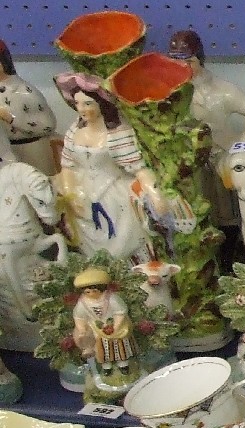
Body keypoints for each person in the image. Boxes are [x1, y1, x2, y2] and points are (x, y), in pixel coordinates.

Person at [52, 72, 163, 262]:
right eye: (77, 103)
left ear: (101, 104)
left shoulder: (117, 134)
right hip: (83, 193)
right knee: (87, 236)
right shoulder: (75, 131)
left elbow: (139, 169)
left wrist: (154, 193)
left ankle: (130, 269)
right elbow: (67, 166)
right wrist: (70, 194)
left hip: (113, 194)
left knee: (125, 234)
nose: (81, 109)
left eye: (88, 103)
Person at [167, 30, 245, 226]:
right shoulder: (167, 90)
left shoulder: (222, 91)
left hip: (217, 158)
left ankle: (229, 244)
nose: (183, 67)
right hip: (184, 161)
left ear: (200, 60)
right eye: (177, 61)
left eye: (190, 61)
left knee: (225, 209)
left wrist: (239, 149)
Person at [0, 39, 56, 171]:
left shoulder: (25, 91)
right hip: (6, 153)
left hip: (32, 149)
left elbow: (48, 126)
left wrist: (10, 118)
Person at [72, 266, 138, 376]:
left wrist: (116, 326)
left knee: (119, 346)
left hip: (116, 327)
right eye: (87, 292)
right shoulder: (83, 303)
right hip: (97, 329)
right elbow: (79, 317)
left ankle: (123, 364)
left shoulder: (112, 299)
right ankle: (106, 366)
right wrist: (82, 328)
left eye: (94, 291)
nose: (91, 294)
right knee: (102, 348)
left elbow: (120, 312)